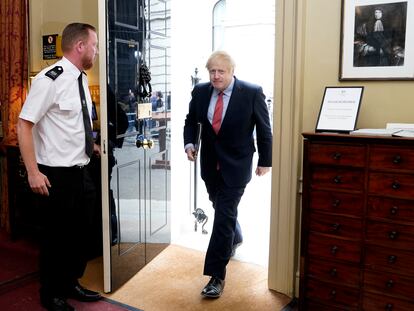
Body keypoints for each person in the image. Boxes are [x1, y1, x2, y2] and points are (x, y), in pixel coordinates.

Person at [17, 22, 101, 311]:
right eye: (95, 45)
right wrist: (32, 171)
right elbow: (24, 124)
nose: (96, 51)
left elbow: (71, 125)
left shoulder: (79, 79)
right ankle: (51, 293)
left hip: (82, 171)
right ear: (80, 46)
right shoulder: (49, 79)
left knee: (80, 235)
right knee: (57, 238)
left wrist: (92, 147)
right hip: (57, 175)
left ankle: (71, 283)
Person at [183, 51, 272, 298]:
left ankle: (216, 276)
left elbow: (265, 130)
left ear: (232, 71)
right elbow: (190, 121)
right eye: (212, 71)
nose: (215, 76)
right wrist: (189, 143)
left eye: (221, 71)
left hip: (237, 165)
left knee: (223, 217)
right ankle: (237, 235)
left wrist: (266, 161)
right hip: (210, 166)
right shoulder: (201, 92)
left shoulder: (252, 92)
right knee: (221, 208)